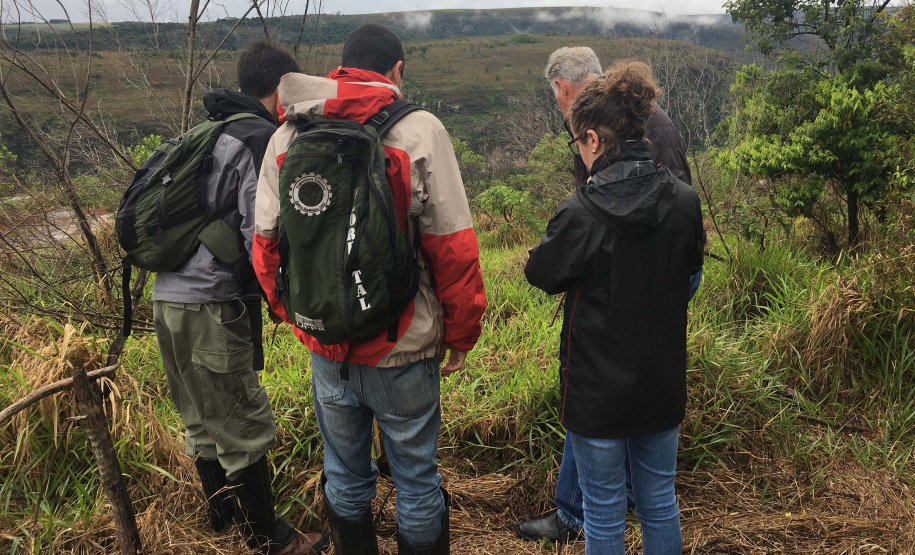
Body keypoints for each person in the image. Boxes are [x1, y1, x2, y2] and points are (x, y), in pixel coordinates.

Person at [252, 24, 487, 555]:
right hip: (402, 343)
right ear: (396, 71)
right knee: (416, 479)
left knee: (344, 474)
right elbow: (454, 249)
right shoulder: (421, 130)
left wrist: (299, 319)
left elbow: (265, 247)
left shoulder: (288, 134)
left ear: (340, 68)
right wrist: (461, 334)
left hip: (327, 347)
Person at [518, 46, 702, 544]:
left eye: (578, 140)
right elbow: (689, 276)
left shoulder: (580, 212)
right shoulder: (684, 203)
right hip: (661, 380)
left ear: (595, 139)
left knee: (601, 510)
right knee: (659, 498)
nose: (578, 149)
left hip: (597, 388)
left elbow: (541, 273)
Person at [151, 40, 328, 555]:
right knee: (240, 420)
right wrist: (287, 300)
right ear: (280, 90)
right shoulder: (257, 138)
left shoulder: (208, 130)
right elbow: (262, 236)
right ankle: (268, 539)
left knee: (200, 416)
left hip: (168, 297)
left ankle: (222, 519)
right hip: (211, 301)